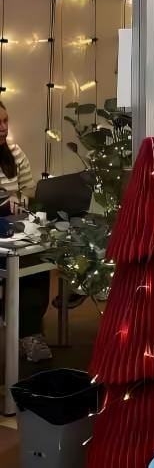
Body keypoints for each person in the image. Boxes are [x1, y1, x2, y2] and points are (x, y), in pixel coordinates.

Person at [0, 102, 46, 362]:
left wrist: (20, 198)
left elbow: (29, 189)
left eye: (6, 121)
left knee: (36, 261)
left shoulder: (15, 152)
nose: (4, 128)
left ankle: (29, 334)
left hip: (15, 229)